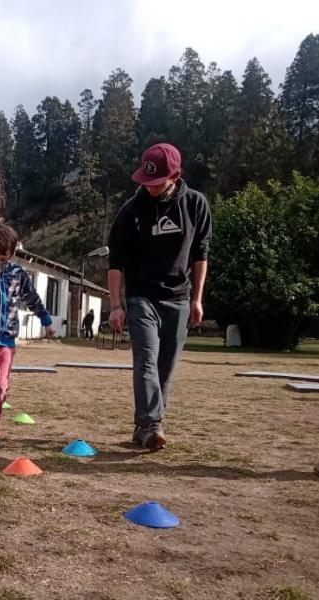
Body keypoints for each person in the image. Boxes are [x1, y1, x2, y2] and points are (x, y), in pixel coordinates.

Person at [107, 143, 212, 451]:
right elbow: (116, 263)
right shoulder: (130, 211)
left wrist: (198, 298)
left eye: (156, 181)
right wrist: (116, 304)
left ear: (175, 175)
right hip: (142, 296)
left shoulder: (195, 204)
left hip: (179, 297)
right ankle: (152, 423)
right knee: (146, 360)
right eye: (145, 181)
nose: (149, 187)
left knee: (165, 367)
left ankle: (145, 426)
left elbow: (201, 254)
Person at [0, 223, 55, 447]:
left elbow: (31, 297)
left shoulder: (17, 274)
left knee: (0, 387)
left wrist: (45, 319)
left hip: (7, 341)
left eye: (3, 260)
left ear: (11, 255)